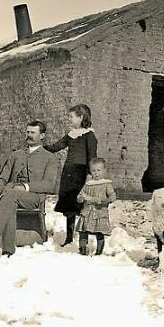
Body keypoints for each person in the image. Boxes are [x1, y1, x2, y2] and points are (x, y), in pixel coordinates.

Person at [0, 121, 59, 256]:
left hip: (33, 196)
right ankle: (8, 251)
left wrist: (25, 187)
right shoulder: (16, 155)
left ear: (42, 135)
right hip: (12, 194)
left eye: (33, 132)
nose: (29, 135)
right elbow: (3, 178)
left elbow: (49, 184)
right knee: (10, 197)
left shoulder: (50, 158)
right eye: (27, 132)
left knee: (11, 195)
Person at [45, 104, 98, 247]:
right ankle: (69, 238)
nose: (70, 119)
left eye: (72, 116)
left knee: (80, 206)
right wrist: (40, 147)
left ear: (81, 117)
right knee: (69, 207)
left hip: (80, 174)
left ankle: (83, 240)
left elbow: (92, 158)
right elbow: (55, 147)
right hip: (69, 173)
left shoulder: (89, 136)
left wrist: (89, 176)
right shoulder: (71, 135)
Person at [76, 158, 116, 256]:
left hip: (99, 212)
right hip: (87, 212)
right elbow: (79, 196)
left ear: (104, 171)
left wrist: (104, 201)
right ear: (90, 171)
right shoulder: (88, 184)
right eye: (94, 170)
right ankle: (83, 249)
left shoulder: (106, 184)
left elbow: (113, 196)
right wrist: (81, 198)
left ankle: (99, 252)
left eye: (99, 170)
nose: (96, 173)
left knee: (99, 232)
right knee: (83, 231)